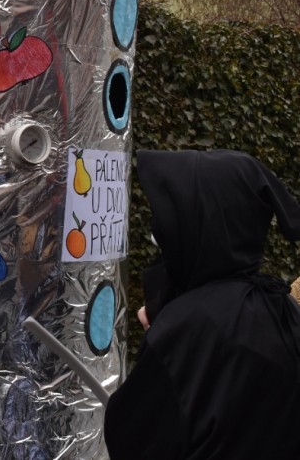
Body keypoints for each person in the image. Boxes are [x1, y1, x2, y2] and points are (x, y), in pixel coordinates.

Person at [103, 149, 300, 460]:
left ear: (202, 224)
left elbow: (132, 440)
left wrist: (165, 340)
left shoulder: (188, 329)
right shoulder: (281, 308)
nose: (158, 232)